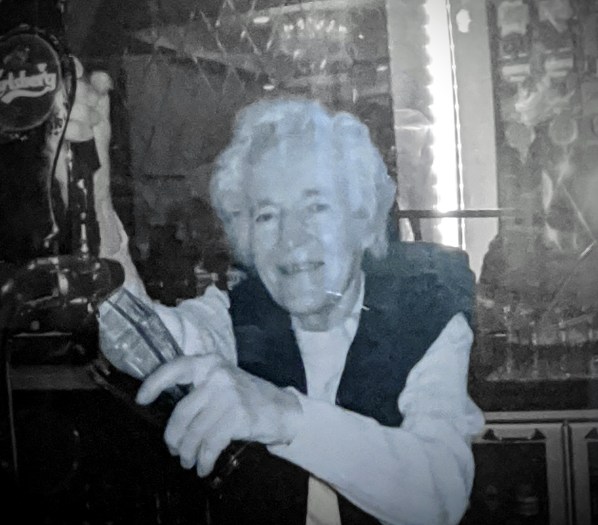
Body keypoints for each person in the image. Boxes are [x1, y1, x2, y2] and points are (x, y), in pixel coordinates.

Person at [65, 65, 485, 525]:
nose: (291, 239)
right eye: (266, 215)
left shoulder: (425, 315)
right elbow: (135, 341)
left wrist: (284, 415)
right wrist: (94, 199)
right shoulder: (238, 313)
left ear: (363, 220)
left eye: (316, 207)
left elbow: (438, 495)